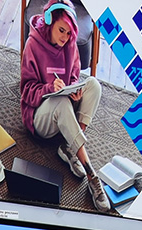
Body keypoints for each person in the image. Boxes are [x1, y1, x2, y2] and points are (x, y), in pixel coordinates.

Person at [20, 3, 111, 211]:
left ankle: (70, 148)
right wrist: (49, 87)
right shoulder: (32, 45)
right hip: (39, 118)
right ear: (50, 21)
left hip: (63, 106)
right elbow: (26, 93)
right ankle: (92, 175)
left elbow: (73, 77)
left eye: (69, 33)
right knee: (60, 102)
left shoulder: (70, 44)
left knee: (94, 85)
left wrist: (74, 91)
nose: (65, 37)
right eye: (62, 30)